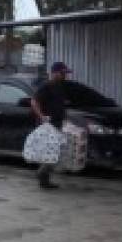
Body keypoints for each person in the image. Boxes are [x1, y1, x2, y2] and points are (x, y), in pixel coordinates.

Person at [31, 61, 71, 189]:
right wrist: (42, 116)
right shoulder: (46, 86)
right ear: (54, 73)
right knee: (51, 151)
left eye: (65, 73)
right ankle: (42, 174)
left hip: (57, 123)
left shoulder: (60, 86)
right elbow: (34, 102)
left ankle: (44, 179)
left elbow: (61, 104)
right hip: (48, 125)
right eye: (63, 73)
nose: (65, 75)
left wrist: (64, 117)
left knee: (53, 151)